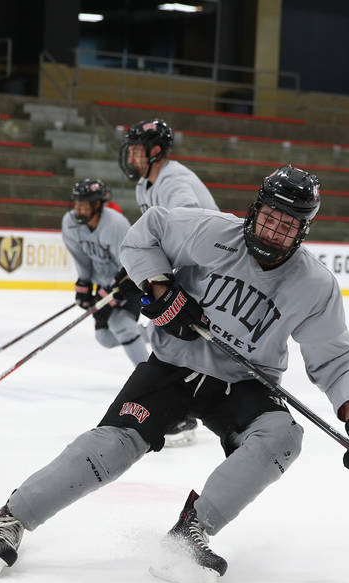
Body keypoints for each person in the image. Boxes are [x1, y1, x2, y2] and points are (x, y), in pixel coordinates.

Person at [0, 165, 349, 583]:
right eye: (269, 217)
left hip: (242, 383)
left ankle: (189, 535)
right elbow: (144, 234)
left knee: (282, 437)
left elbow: (334, 359)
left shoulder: (314, 285)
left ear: (303, 230)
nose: (272, 232)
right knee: (113, 446)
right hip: (174, 366)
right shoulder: (210, 231)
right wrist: (160, 289)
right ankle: (9, 519)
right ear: (255, 208)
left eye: (288, 226)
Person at [120, 117, 219, 444]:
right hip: (189, 270)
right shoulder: (144, 184)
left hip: (206, 271)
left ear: (156, 150)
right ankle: (181, 411)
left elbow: (187, 229)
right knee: (167, 337)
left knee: (175, 339)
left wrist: (157, 276)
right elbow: (153, 235)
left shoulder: (174, 181)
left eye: (136, 150)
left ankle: (182, 416)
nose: (132, 157)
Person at [62, 178, 149, 366]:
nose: (78, 209)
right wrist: (84, 285)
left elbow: (129, 265)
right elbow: (82, 259)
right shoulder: (70, 223)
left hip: (129, 281)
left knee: (123, 326)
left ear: (97, 204)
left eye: (84, 205)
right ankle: (154, 333)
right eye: (76, 204)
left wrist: (112, 294)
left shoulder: (115, 225)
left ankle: (148, 377)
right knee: (105, 338)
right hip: (104, 285)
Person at [119, 117, 219, 214]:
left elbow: (187, 225)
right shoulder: (142, 185)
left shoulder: (174, 182)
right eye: (130, 152)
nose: (130, 160)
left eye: (135, 152)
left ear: (155, 152)